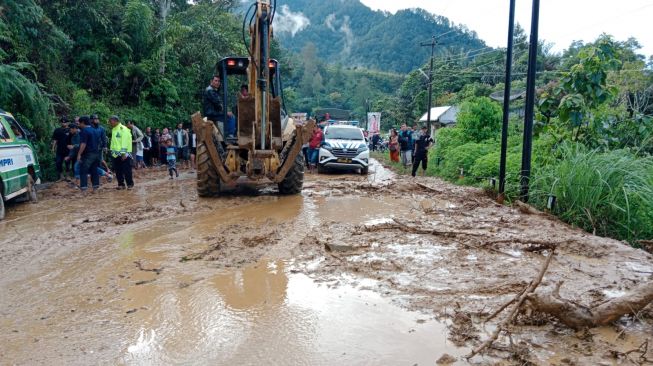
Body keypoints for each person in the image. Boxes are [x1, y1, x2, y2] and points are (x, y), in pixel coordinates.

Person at [76, 116, 102, 192]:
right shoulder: (95, 130)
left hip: (88, 154)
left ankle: (84, 188)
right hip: (96, 153)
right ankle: (95, 187)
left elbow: (83, 144)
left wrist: (79, 154)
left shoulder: (84, 131)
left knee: (83, 170)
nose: (79, 125)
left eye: (80, 123)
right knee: (94, 169)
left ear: (83, 123)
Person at [109, 115, 134, 190]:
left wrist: (123, 153)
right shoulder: (114, 129)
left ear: (115, 121)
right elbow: (114, 142)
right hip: (115, 153)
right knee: (118, 170)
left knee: (127, 170)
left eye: (111, 121)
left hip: (124, 153)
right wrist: (112, 151)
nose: (110, 123)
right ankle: (121, 184)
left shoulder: (123, 129)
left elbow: (125, 142)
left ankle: (129, 184)